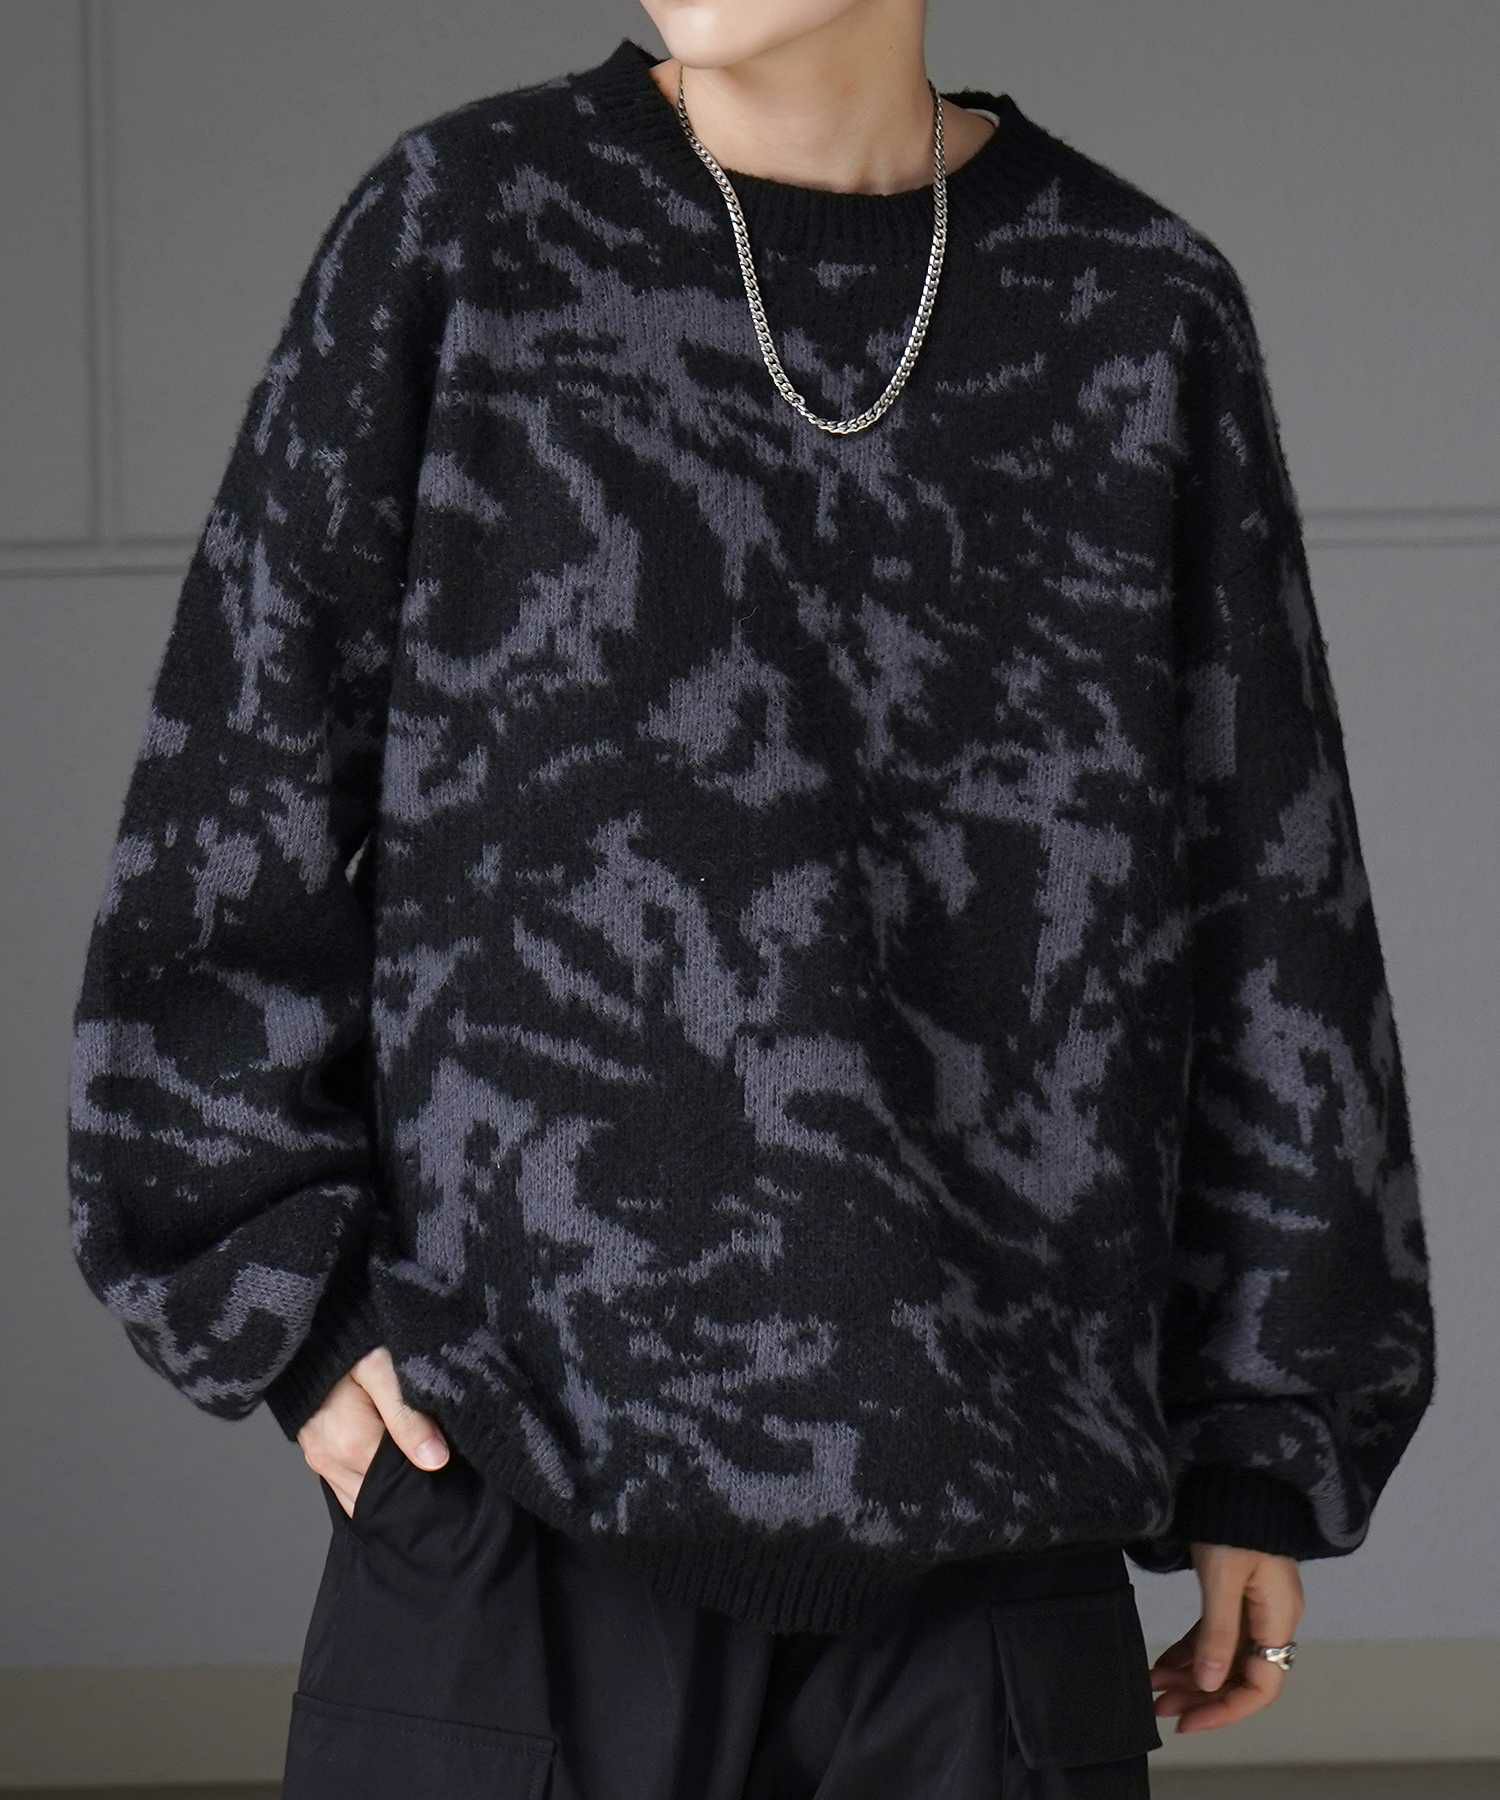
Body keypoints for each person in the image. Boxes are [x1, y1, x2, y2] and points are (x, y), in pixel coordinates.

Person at [65, 2, 1437, 1794]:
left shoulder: (1137, 303)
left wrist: (1267, 1429)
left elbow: (1270, 896)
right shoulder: (465, 230)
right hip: (513, 1520)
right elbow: (227, 795)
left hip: (991, 1554)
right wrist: (294, 1309)